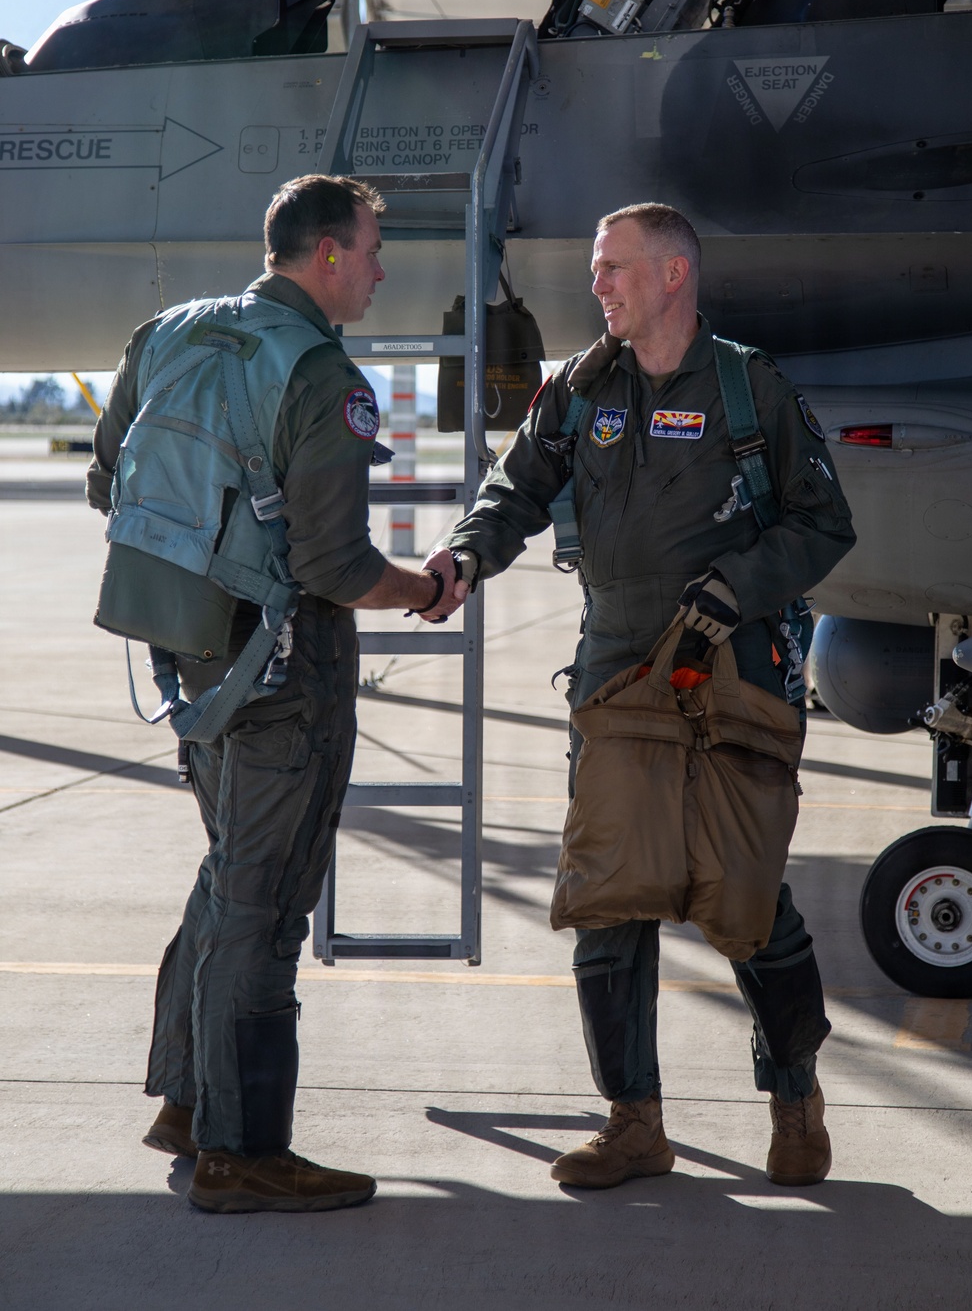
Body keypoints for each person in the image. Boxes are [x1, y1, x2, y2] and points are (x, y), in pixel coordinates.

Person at [428, 202, 856, 1191]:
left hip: (729, 663)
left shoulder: (749, 388)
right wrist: (465, 554)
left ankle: (795, 1095)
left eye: (613, 268)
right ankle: (634, 1122)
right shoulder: (581, 390)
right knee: (609, 893)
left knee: (745, 896)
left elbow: (822, 525)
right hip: (616, 664)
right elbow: (514, 490)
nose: (597, 284)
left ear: (671, 276)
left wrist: (735, 586)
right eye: (595, 268)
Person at [87, 174, 463, 1214]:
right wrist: (425, 590)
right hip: (283, 684)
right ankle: (241, 1152)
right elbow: (338, 567)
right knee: (262, 912)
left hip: (192, 662)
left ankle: (189, 1103)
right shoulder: (319, 375)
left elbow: (107, 480)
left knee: (226, 880)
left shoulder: (169, 332)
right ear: (326, 256)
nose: (382, 268)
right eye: (372, 249)